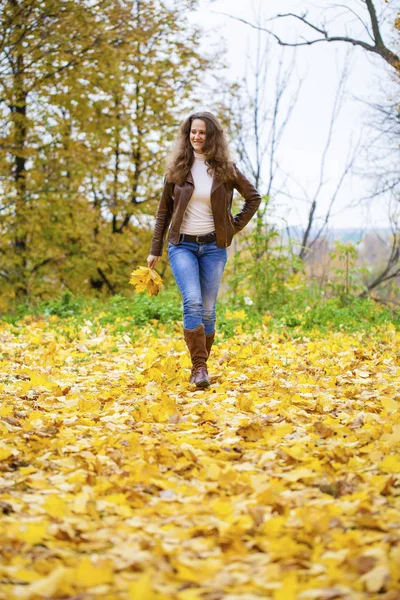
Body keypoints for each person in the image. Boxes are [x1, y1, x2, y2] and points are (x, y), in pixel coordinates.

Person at [147, 111, 261, 388]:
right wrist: (155, 249)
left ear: (212, 137)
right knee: (193, 302)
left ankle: (202, 368)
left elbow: (253, 198)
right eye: (193, 132)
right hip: (182, 245)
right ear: (188, 135)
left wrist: (232, 227)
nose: (197, 137)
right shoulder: (178, 169)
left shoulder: (226, 169)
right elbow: (164, 212)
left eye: (203, 133)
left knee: (208, 310)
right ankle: (199, 367)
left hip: (213, 248)